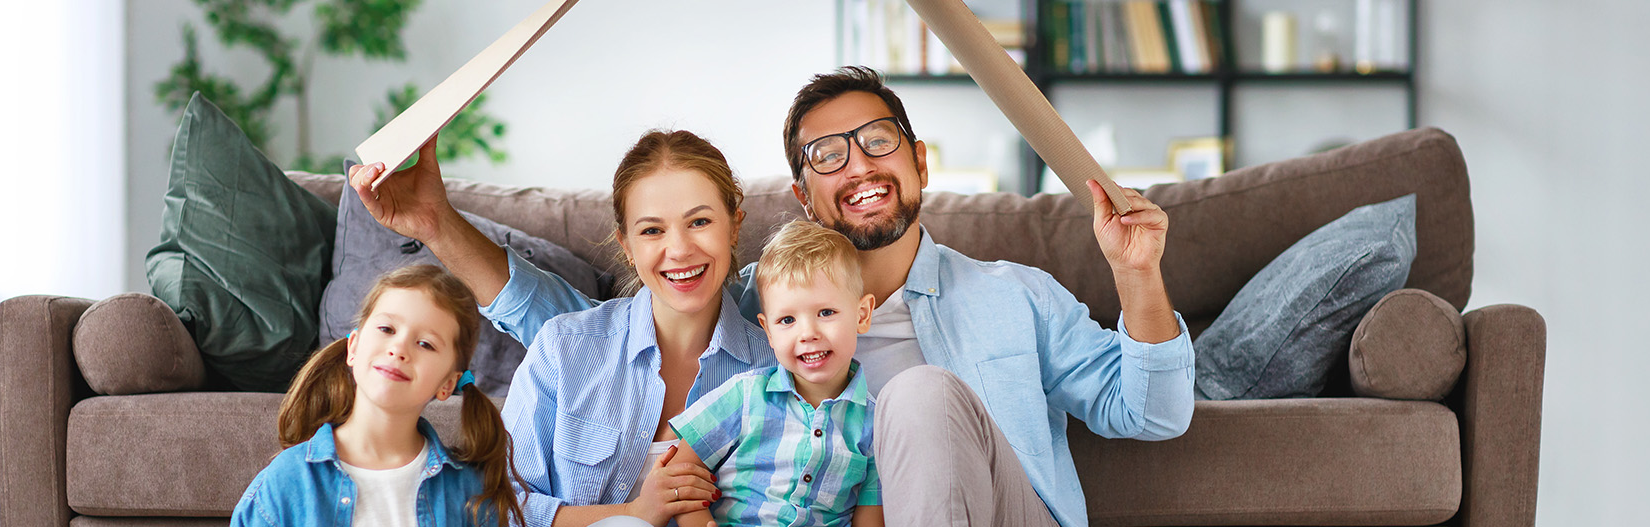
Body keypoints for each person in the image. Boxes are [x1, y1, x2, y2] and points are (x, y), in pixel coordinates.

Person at [357, 66, 1195, 527]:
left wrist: (1137, 274)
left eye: (877, 143)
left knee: (920, 395)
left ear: (920, 162)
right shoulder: (761, 307)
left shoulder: (1015, 295)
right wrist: (436, 224)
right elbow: (594, 336)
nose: (859, 166)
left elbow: (1151, 412)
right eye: (828, 156)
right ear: (799, 197)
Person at [349, 130, 779, 527]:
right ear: (626, 246)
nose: (680, 249)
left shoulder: (776, 369)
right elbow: (499, 505)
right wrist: (633, 515)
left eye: (700, 222)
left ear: (734, 225)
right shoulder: (565, 348)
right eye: (652, 230)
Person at [231, 265, 522, 527]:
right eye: (386, 329)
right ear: (353, 347)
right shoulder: (288, 480)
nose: (398, 349)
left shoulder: (468, 493)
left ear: (447, 383)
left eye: (425, 344)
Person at [667, 220, 883, 527]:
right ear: (768, 331)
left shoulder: (875, 426)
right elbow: (681, 469)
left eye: (826, 313)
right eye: (787, 320)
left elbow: (870, 518)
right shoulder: (744, 395)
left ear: (862, 315)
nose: (808, 333)